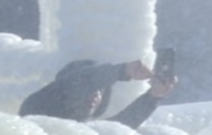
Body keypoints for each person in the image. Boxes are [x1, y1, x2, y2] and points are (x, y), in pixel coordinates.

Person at [20, 54, 176, 129]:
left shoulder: (82, 129)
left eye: (101, 90)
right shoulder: (35, 107)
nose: (96, 94)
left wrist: (153, 97)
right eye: (92, 88)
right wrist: (122, 71)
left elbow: (119, 128)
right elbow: (72, 87)